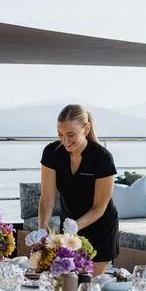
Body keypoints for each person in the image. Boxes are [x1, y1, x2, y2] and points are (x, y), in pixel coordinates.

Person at [35, 104, 119, 275]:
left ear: (86, 128)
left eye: (71, 134)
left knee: (87, 287)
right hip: (69, 229)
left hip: (100, 229)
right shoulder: (52, 153)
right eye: (60, 135)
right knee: (64, 285)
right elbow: (47, 198)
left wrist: (75, 226)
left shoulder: (102, 158)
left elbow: (99, 208)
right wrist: (43, 230)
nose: (65, 141)